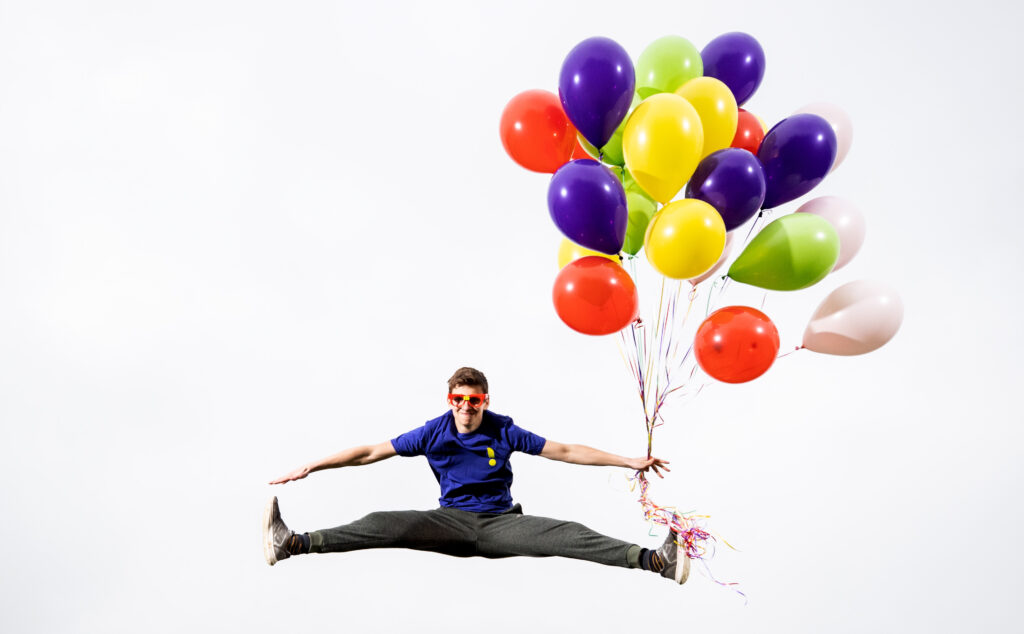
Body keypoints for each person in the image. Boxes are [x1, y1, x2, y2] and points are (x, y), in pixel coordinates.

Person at [263, 366, 690, 584]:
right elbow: (370, 452)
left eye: (475, 400)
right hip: (450, 522)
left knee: (567, 534)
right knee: (384, 524)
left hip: (501, 524)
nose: (466, 406)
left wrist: (629, 461)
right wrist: (312, 466)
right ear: (450, 400)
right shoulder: (434, 431)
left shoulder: (502, 428)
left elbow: (564, 451)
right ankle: (292, 544)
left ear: (485, 401)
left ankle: (657, 562)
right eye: (459, 399)